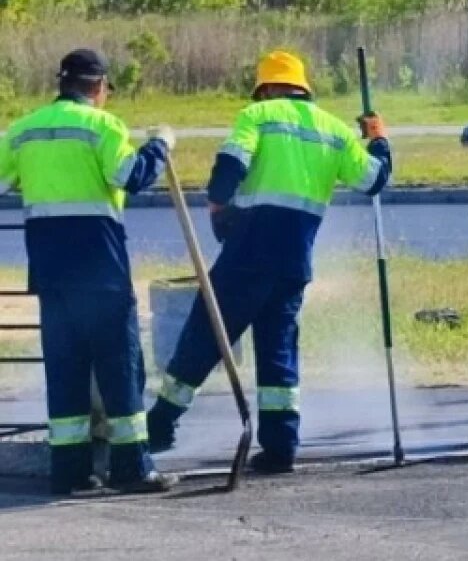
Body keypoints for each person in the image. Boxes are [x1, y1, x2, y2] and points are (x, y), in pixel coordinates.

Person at [146, 50, 392, 474]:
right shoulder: (334, 131)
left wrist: (219, 206)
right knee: (278, 353)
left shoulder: (257, 116)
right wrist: (379, 140)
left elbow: (229, 167)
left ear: (266, 88)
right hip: (293, 263)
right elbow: (375, 180)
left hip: (247, 254)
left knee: (204, 337)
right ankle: (280, 447)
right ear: (304, 87)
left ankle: (160, 426)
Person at [0, 49, 176, 494]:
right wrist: (160, 146)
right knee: (119, 366)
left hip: (50, 271)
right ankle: (132, 467)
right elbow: (130, 176)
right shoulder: (103, 126)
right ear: (98, 88)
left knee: (65, 369)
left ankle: (71, 470)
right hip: (100, 269)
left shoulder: (22, 132)